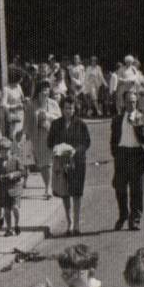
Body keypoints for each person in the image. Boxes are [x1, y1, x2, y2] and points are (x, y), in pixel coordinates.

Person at [111, 88, 144, 231]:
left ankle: (135, 220)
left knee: (137, 190)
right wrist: (116, 154)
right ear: (124, 103)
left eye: (134, 102)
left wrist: (139, 126)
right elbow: (113, 139)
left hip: (137, 155)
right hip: (122, 154)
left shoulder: (142, 117)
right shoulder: (117, 119)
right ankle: (123, 214)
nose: (132, 106)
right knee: (120, 187)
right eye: (129, 102)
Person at [48, 95, 92, 236]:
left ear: (75, 109)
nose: (69, 111)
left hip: (77, 162)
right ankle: (69, 223)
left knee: (77, 193)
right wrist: (59, 149)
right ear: (62, 109)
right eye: (66, 108)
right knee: (65, 193)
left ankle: (77, 225)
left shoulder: (81, 124)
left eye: (71, 108)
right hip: (61, 162)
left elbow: (86, 142)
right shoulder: (56, 124)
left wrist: (74, 151)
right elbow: (50, 142)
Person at [28, 83, 59, 198]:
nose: (45, 93)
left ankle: (48, 188)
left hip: (50, 134)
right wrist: (25, 133)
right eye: (42, 91)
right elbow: (27, 120)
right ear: (38, 92)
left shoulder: (53, 103)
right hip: (37, 136)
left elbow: (59, 118)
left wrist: (48, 115)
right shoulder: (32, 104)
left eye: (47, 91)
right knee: (42, 163)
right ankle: (48, 185)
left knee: (48, 162)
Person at [0, 137, 26, 236]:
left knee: (15, 207)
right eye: (1, 151)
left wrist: (14, 175)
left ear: (10, 150)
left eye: (6, 150)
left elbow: (23, 172)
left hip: (15, 187)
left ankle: (17, 224)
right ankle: (9, 228)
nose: (4, 153)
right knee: (6, 209)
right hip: (3, 188)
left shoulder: (16, 159)